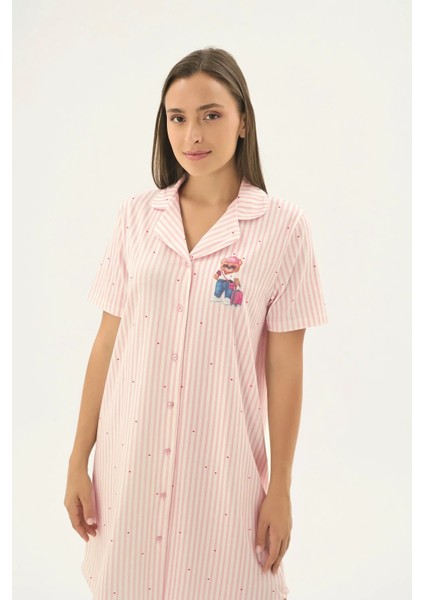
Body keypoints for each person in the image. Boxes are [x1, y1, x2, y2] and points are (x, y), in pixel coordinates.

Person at [64, 46, 328, 600]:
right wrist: (77, 459)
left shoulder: (283, 229)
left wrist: (281, 487)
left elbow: (285, 368)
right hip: (129, 462)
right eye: (177, 118)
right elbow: (106, 344)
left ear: (243, 120)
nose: (192, 135)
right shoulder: (136, 218)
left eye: (211, 114)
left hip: (223, 472)